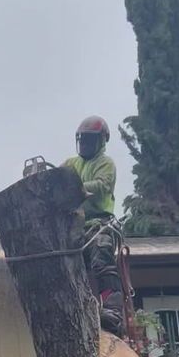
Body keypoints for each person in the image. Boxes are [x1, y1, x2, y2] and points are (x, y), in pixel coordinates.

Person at [63, 115, 124, 335]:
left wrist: (74, 188)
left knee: (100, 252)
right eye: (83, 140)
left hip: (100, 223)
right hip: (75, 226)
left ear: (101, 141)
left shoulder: (105, 164)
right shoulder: (72, 164)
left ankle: (112, 308)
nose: (85, 144)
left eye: (90, 140)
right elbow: (57, 177)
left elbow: (101, 185)